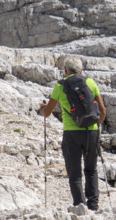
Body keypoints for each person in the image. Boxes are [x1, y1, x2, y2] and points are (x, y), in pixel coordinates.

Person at [39, 56, 105, 211]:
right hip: (91, 132)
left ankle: (80, 206)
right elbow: (103, 110)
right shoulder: (90, 82)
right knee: (91, 169)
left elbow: (47, 112)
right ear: (81, 70)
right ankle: (93, 206)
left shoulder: (60, 86)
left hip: (71, 133)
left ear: (65, 70)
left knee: (74, 172)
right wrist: (96, 124)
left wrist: (42, 107)